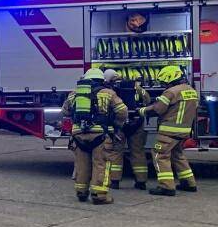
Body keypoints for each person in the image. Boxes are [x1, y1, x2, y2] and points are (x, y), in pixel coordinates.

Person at [61, 68, 129, 204]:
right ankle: (99, 195)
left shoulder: (75, 93)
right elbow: (122, 111)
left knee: (81, 164)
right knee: (101, 164)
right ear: (102, 80)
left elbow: (65, 111)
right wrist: (117, 124)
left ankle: (81, 192)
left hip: (78, 135)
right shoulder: (108, 93)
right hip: (100, 135)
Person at [138, 65, 199, 196]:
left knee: (159, 154)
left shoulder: (171, 92)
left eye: (164, 82)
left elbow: (158, 109)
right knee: (178, 155)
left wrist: (143, 111)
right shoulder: (191, 90)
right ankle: (189, 183)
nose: (164, 85)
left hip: (169, 131)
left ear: (169, 78)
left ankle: (166, 186)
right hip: (184, 131)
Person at [102, 69, 151, 190]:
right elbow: (147, 100)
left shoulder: (110, 90)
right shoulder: (136, 87)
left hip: (120, 125)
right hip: (136, 123)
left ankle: (115, 181)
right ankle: (141, 182)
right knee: (138, 152)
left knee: (116, 152)